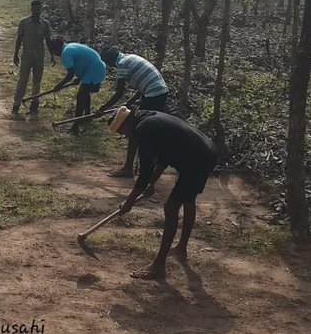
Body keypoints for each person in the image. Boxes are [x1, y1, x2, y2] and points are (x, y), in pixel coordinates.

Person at [111, 108, 221, 280]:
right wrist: (152, 183)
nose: (125, 136)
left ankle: (158, 266)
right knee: (188, 199)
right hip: (206, 152)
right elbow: (164, 156)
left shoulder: (143, 130)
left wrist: (129, 201)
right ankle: (181, 248)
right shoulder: (150, 119)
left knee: (171, 207)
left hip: (197, 160)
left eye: (122, 132)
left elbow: (144, 173)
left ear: (126, 124)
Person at [98, 46, 170, 178]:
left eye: (108, 63)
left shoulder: (121, 64)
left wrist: (102, 108)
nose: (110, 66)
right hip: (159, 92)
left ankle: (128, 168)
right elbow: (141, 86)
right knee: (149, 131)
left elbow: (119, 92)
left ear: (110, 60)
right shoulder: (129, 57)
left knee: (136, 130)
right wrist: (129, 103)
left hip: (153, 94)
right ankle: (150, 167)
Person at [46, 37, 106, 133]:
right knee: (84, 92)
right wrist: (80, 78)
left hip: (94, 70)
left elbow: (70, 74)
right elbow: (84, 61)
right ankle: (87, 116)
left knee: (81, 95)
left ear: (56, 49)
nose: (55, 55)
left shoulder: (66, 53)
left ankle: (75, 126)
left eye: (53, 52)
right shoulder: (71, 46)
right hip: (97, 68)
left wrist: (59, 86)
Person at [12, 0, 54, 118]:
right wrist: (15, 54)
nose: (37, 11)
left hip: (39, 56)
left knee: (37, 82)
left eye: (39, 9)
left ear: (41, 10)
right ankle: (16, 106)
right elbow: (19, 39)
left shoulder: (45, 24)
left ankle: (34, 107)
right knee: (23, 81)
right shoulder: (24, 22)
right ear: (31, 9)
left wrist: (51, 55)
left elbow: (48, 40)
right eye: (35, 9)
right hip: (26, 55)